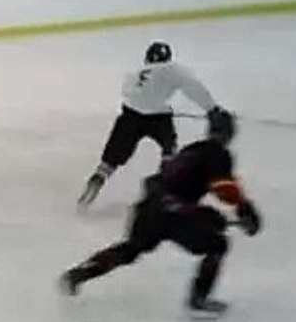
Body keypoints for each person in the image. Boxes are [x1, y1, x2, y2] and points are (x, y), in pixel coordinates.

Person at [60, 108, 262, 316]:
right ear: (230, 134)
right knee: (218, 244)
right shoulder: (217, 153)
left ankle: (80, 273)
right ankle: (198, 298)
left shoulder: (190, 151)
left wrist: (206, 214)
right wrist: (244, 208)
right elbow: (224, 187)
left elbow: (165, 180)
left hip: (150, 206)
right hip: (173, 212)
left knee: (132, 248)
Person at [78, 41, 219, 209]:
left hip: (130, 116)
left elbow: (129, 93)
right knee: (169, 150)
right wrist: (212, 109)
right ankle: (167, 186)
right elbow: (194, 88)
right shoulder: (172, 69)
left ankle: (98, 178)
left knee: (112, 157)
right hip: (159, 119)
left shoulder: (135, 73)